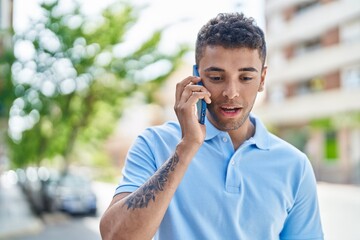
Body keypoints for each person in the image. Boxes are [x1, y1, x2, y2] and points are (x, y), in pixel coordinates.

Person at [99, 12, 324, 240]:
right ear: (197, 76)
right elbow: (115, 236)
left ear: (262, 79)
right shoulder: (153, 143)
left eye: (245, 78)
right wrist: (187, 147)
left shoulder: (295, 165)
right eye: (216, 77)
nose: (231, 93)